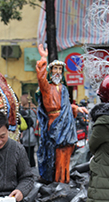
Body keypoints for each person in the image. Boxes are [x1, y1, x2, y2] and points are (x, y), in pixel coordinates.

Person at [35, 44, 89, 183]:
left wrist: (76, 108)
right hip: (54, 124)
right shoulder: (47, 87)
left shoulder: (64, 89)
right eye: (55, 69)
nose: (57, 72)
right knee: (54, 154)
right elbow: (41, 79)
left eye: (60, 69)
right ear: (51, 71)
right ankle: (56, 180)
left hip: (66, 126)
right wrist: (43, 57)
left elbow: (65, 106)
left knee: (65, 154)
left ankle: (64, 180)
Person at [19, 94, 38, 167]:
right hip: (32, 135)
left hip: (29, 135)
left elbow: (30, 123)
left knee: (29, 155)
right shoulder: (34, 109)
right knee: (30, 154)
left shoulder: (29, 111)